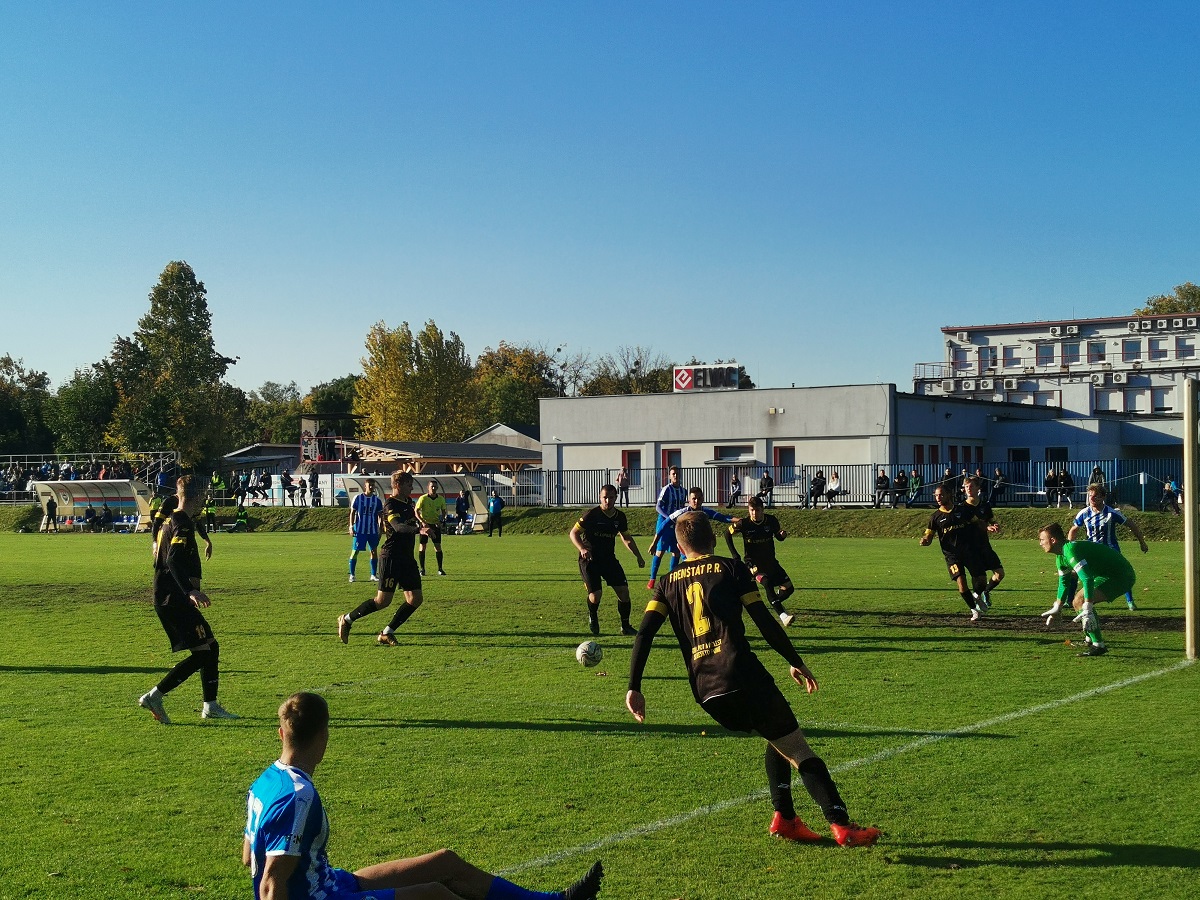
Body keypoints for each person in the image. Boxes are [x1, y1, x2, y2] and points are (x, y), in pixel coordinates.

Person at [627, 513, 880, 848]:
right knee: (798, 748)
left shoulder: (666, 582)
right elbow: (763, 619)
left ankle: (785, 819)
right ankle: (842, 825)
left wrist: (634, 686)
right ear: (714, 539)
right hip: (741, 673)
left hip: (704, 689)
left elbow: (644, 633)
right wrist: (795, 661)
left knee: (776, 736)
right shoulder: (731, 569)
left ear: (679, 545)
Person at [245, 692, 604, 900]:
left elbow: (250, 859)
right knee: (434, 895)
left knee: (444, 862)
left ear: (281, 733)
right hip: (324, 896)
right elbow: (270, 882)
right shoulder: (299, 796)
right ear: (324, 735)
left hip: (329, 882)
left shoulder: (265, 781)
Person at [137, 475, 237, 724]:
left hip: (172, 597)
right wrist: (190, 591)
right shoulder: (180, 522)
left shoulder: (176, 518)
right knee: (203, 653)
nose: (206, 498)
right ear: (197, 496)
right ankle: (154, 695)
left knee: (211, 647)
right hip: (174, 598)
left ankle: (210, 706)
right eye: (204, 494)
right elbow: (172, 560)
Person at [338, 470, 428, 647]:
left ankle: (387, 633)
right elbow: (398, 527)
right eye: (409, 484)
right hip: (392, 557)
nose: (411, 488)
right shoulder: (390, 505)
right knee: (382, 601)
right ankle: (347, 620)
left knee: (415, 598)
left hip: (407, 558)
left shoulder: (408, 502)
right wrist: (418, 530)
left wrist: (423, 524)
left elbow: (409, 522)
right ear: (397, 485)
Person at [1039, 522, 1137, 657]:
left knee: (1080, 600)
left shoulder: (1070, 550)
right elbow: (1064, 583)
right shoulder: (1060, 556)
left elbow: (1087, 579)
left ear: (1053, 540)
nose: (1040, 543)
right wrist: (1058, 607)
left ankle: (1098, 645)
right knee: (1076, 601)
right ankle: (1089, 640)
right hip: (1107, 574)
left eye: (1042, 540)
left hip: (1121, 576)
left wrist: (1088, 605)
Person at [571, 484, 645, 636]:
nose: (608, 501)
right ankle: (593, 616)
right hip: (589, 560)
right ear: (600, 497)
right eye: (605, 497)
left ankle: (625, 626)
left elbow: (626, 538)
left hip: (608, 560)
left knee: (624, 592)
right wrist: (582, 549)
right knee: (595, 595)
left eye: (611, 498)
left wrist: (638, 555)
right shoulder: (591, 515)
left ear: (616, 498)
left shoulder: (620, 517)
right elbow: (574, 533)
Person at [1069, 484, 1148, 610]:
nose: (1092, 499)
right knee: (1074, 572)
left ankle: (1130, 601)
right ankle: (1070, 601)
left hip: (1111, 551)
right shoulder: (1084, 513)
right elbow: (1073, 530)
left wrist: (1142, 542)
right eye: (1090, 496)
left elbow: (1130, 524)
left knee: (1121, 574)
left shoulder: (1111, 513)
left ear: (1103, 497)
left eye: (1095, 497)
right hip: (1092, 552)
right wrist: (1070, 548)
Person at [725, 495, 796, 626]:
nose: (754, 513)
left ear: (762, 510)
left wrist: (782, 535)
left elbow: (778, 537)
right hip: (753, 564)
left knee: (789, 589)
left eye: (757, 510)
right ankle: (783, 615)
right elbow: (727, 533)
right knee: (767, 583)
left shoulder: (771, 521)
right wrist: (735, 554)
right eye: (751, 510)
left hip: (771, 563)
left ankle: (774, 601)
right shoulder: (744, 524)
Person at [919, 485, 988, 621]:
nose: (938, 498)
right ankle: (974, 610)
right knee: (961, 584)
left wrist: (987, 527)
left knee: (981, 580)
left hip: (969, 551)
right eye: (936, 495)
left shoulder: (962, 510)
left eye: (941, 495)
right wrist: (925, 540)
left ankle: (977, 595)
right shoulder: (935, 517)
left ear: (949, 494)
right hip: (952, 556)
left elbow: (977, 522)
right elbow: (929, 535)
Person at [648, 487, 736, 578]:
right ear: (689, 500)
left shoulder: (705, 512)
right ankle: (659, 579)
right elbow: (663, 525)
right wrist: (654, 543)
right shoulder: (681, 513)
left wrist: (740, 520)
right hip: (688, 550)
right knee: (692, 572)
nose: (696, 501)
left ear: (702, 499)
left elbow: (723, 517)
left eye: (699, 498)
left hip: (702, 548)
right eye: (694, 498)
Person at [963, 476, 1004, 608]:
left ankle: (986, 591)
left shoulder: (985, 505)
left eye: (971, 486)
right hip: (971, 548)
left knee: (999, 574)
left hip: (985, 546)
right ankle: (978, 599)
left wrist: (995, 525)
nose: (968, 489)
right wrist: (987, 527)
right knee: (979, 578)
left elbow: (991, 520)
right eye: (966, 487)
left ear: (978, 488)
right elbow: (974, 523)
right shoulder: (962, 508)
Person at [647, 466, 688, 585]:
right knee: (660, 551)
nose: (675, 476)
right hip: (665, 523)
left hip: (676, 524)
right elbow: (658, 507)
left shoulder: (683, 491)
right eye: (673, 474)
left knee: (676, 551)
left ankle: (671, 579)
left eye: (677, 474)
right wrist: (669, 517)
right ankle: (652, 579)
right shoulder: (666, 489)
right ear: (669, 476)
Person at [348, 479, 383, 583]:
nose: (371, 487)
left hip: (372, 530)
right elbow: (352, 513)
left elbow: (380, 516)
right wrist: (351, 526)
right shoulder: (358, 498)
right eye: (369, 485)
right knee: (355, 551)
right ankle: (352, 575)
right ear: (365, 486)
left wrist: (380, 529)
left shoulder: (377, 500)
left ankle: (373, 575)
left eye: (373, 485)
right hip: (359, 530)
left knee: (373, 551)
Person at [415, 479, 447, 576]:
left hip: (435, 525)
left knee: (437, 546)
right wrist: (422, 522)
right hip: (425, 525)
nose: (433, 488)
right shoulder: (423, 498)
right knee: (422, 546)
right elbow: (416, 511)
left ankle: (440, 569)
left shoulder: (440, 499)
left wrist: (441, 520)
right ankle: (422, 569)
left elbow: (444, 511)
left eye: (435, 487)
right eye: (431, 486)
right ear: (428, 488)